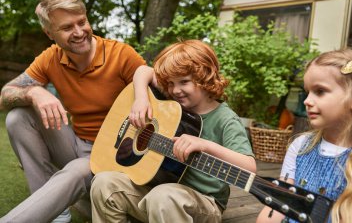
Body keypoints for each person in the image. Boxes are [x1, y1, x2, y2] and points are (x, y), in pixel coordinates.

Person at [0, 0, 146, 223]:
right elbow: (5, 95)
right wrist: (34, 92)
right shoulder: (50, 58)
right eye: (67, 28)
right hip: (77, 144)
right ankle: (56, 211)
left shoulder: (121, 54)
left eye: (82, 22)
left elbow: (153, 84)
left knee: (76, 171)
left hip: (114, 155)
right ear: (49, 33)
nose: (79, 32)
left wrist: (141, 96)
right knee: (18, 117)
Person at [90, 39, 257, 223]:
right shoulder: (176, 101)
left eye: (184, 82)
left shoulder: (225, 119)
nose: (175, 90)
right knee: (104, 183)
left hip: (203, 203)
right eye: (170, 83)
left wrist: (205, 145)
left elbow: (249, 167)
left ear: (205, 77)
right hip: (159, 191)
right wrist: (141, 98)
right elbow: (143, 71)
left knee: (163, 197)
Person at [256, 48, 352, 223]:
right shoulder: (300, 146)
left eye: (320, 91)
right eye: (307, 92)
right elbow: (276, 207)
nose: (307, 100)